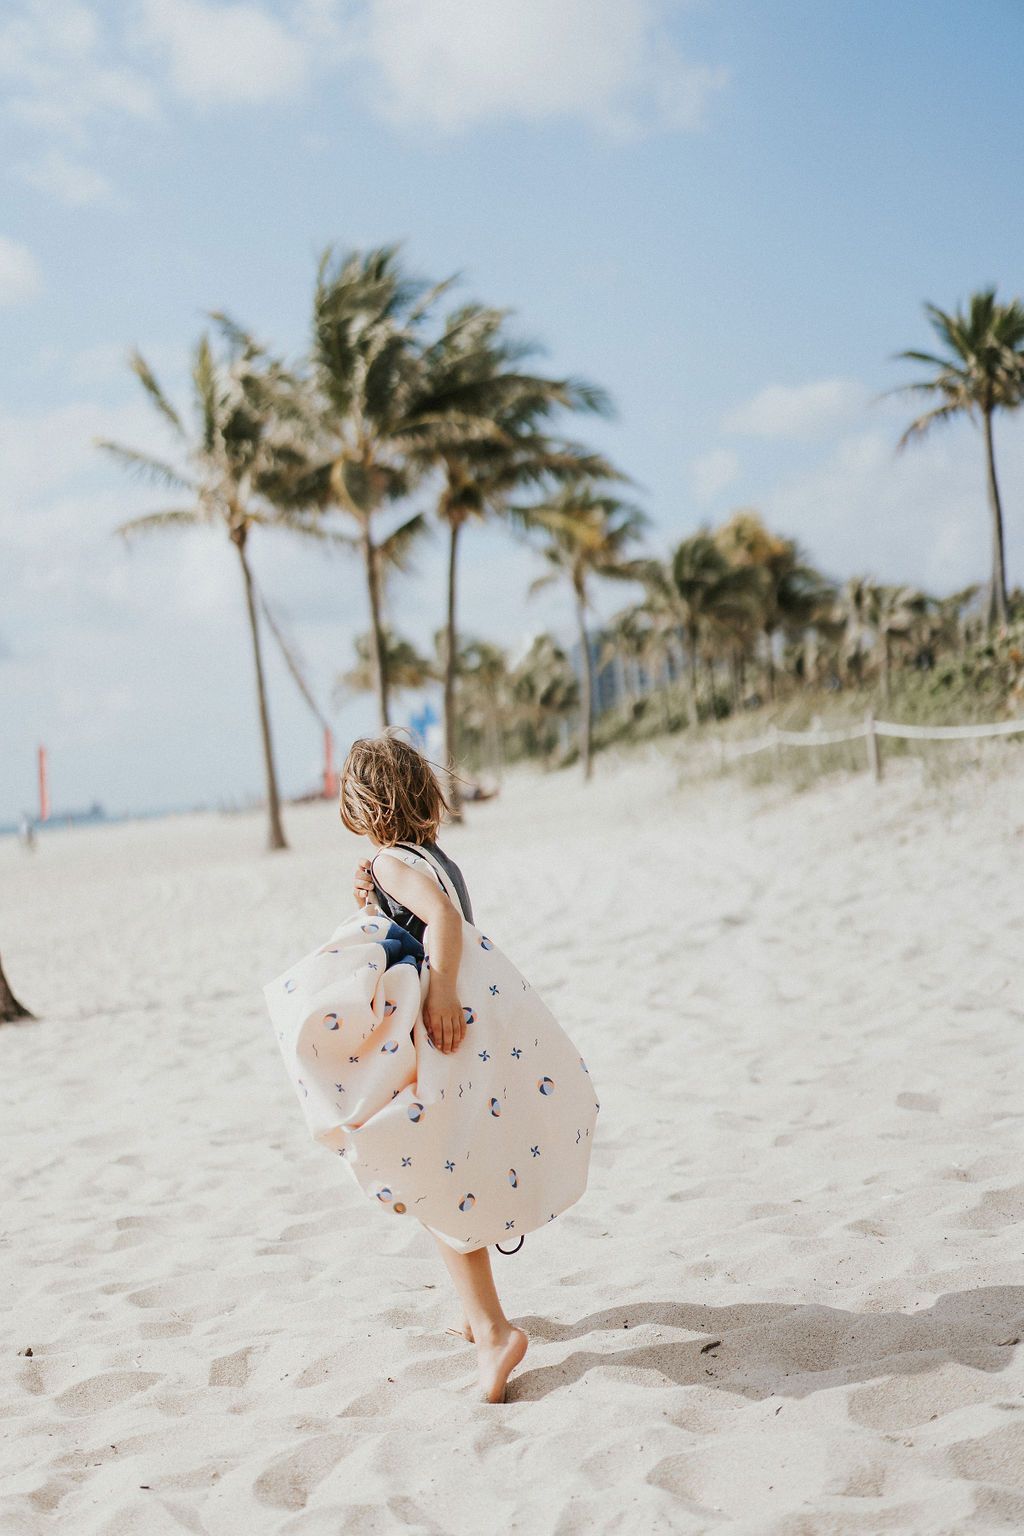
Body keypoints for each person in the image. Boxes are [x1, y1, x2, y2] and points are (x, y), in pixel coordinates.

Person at [339, 732, 529, 1404]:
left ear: (364, 807)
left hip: (440, 1032)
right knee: (447, 1172)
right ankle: (475, 1315)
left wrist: (439, 989)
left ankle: (494, 1332)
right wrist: (373, 905)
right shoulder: (435, 859)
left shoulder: (392, 863)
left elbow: (441, 923)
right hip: (470, 1031)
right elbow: (422, 923)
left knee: (436, 1184)